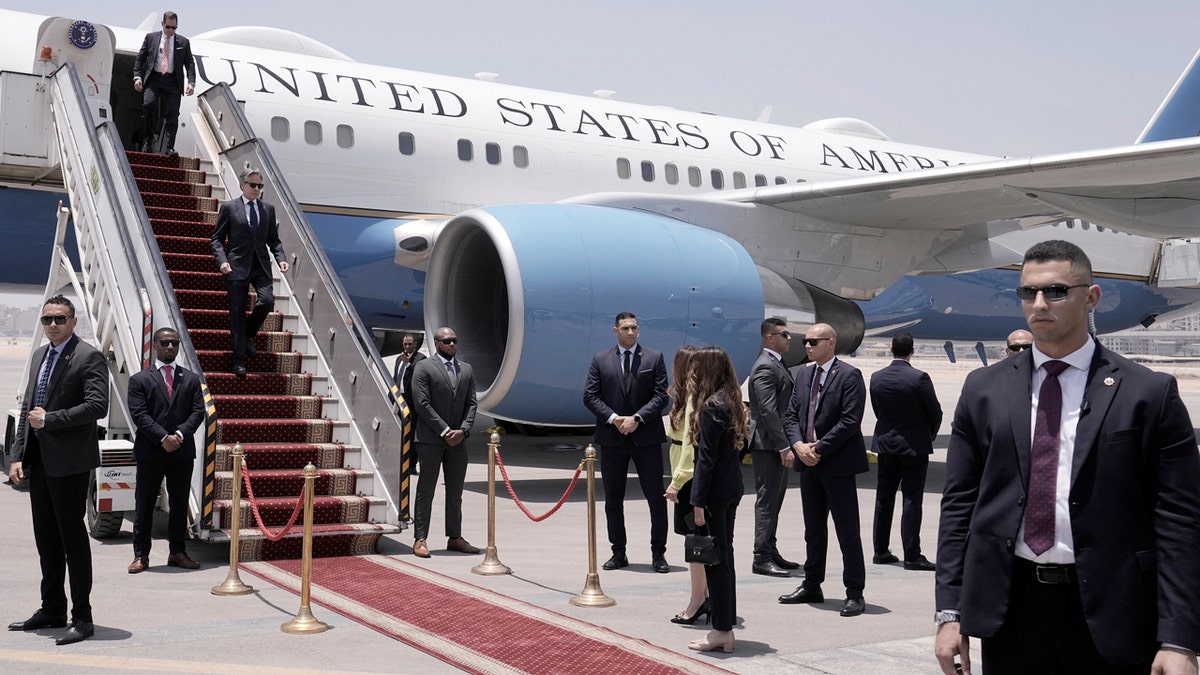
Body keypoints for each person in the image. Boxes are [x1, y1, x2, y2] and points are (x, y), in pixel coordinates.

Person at [935, 240, 1200, 675]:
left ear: (1090, 297)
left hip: (1114, 611)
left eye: (1056, 291)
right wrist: (949, 613)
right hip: (1011, 610)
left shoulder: (1147, 393)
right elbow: (959, 508)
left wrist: (1179, 639)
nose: (1039, 304)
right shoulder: (983, 389)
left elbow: (1179, 522)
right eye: (1028, 292)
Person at [7, 295, 108, 646]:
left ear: (73, 321)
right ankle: (52, 608)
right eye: (47, 319)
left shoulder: (87, 356)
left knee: (72, 541)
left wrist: (51, 420)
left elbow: (97, 405)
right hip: (39, 464)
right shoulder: (39, 355)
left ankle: (82, 617)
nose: (53, 324)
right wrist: (17, 455)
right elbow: (27, 408)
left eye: (60, 319)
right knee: (46, 541)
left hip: (70, 465)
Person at [778, 323, 869, 618]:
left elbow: (850, 420)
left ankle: (854, 592)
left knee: (847, 531)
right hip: (808, 463)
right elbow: (791, 415)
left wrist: (818, 448)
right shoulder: (804, 374)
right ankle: (812, 584)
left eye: (813, 341)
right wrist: (798, 446)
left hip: (837, 464)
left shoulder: (849, 375)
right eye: (805, 341)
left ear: (831, 342)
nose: (807, 345)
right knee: (813, 530)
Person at [583, 311, 670, 573]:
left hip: (646, 438)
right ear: (615, 331)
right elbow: (590, 396)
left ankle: (658, 553)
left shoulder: (654, 358)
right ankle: (618, 552)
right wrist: (613, 418)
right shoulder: (601, 359)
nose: (630, 332)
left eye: (634, 328)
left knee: (656, 497)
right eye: (625, 328)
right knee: (613, 500)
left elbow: (661, 396)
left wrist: (637, 418)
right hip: (613, 439)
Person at [126, 327, 206, 573]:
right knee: (145, 504)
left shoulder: (191, 379)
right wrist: (163, 438)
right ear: (155, 345)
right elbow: (139, 415)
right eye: (165, 342)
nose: (170, 347)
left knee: (180, 504)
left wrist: (179, 435)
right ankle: (141, 555)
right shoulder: (140, 379)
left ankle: (177, 552)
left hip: (181, 451)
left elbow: (198, 412)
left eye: (174, 343)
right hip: (151, 451)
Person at [687, 346, 748, 654]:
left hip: (714, 494)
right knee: (725, 559)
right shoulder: (731, 400)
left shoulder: (711, 405)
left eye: (697, 369)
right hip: (731, 489)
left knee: (716, 562)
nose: (693, 375)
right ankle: (723, 626)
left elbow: (706, 459)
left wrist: (697, 501)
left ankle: (722, 630)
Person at [868, 332, 942, 571]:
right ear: (913, 351)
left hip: (886, 445)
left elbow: (878, 409)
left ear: (891, 349)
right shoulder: (919, 378)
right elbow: (935, 412)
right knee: (911, 499)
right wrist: (928, 435)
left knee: (884, 497)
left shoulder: (877, 377)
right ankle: (912, 554)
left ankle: (880, 550)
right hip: (913, 446)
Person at [210, 168, 289, 378]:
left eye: (260, 186)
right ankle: (238, 360)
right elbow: (216, 239)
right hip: (236, 266)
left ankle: (248, 334)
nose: (257, 189)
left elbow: (273, 239)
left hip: (260, 266)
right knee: (237, 314)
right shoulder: (229, 208)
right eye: (253, 185)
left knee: (266, 302)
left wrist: (281, 258)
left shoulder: (268, 209)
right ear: (242, 185)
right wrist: (222, 261)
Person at [410, 327, 479, 558]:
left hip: (458, 442)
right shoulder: (424, 367)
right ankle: (420, 538)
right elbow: (422, 403)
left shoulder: (466, 370)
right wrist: (446, 430)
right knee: (426, 490)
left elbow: (472, 404)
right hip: (430, 440)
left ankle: (455, 537)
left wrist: (464, 431)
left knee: (455, 491)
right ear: (437, 343)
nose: (452, 344)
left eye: (454, 341)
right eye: (447, 341)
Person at [748, 317, 799, 577]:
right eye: (784, 334)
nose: (789, 338)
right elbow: (768, 412)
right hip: (768, 445)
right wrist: (783, 446)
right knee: (767, 500)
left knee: (775, 499)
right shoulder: (766, 367)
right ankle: (761, 557)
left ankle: (771, 549)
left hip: (774, 443)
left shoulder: (776, 364)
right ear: (770, 337)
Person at [664, 345, 708, 624]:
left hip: (688, 479)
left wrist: (676, 483)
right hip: (687, 475)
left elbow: (690, 449)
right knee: (699, 544)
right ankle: (704, 597)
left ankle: (697, 601)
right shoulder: (692, 396)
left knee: (696, 547)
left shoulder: (692, 398)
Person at [132, 11, 196, 155]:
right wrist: (137, 77)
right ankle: (148, 140)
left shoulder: (183, 42)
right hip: (155, 78)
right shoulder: (151, 38)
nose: (171, 31)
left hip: (173, 81)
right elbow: (140, 58)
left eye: (174, 28)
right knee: (148, 105)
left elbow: (190, 63)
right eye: (168, 27)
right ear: (162, 24)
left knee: (173, 114)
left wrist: (191, 82)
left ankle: (169, 147)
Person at [392, 334, 426, 473]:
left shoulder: (421, 359)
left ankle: (411, 465)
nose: (407, 347)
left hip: (413, 400)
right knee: (399, 431)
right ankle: (400, 462)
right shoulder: (399, 358)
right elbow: (396, 378)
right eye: (405, 344)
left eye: (410, 344)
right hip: (400, 398)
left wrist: (409, 364)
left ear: (415, 344)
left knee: (411, 434)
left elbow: (419, 376)